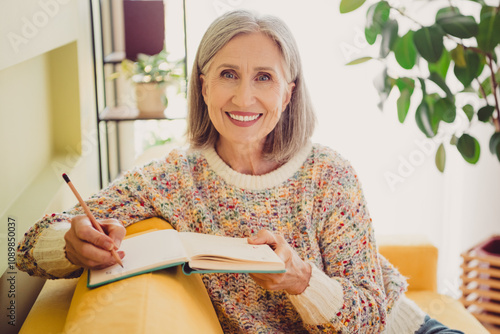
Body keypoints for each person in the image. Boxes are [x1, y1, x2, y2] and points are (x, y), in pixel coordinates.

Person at [17, 9, 463, 334]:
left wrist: (301, 280)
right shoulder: (173, 180)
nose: (244, 98)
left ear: (288, 94)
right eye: (228, 74)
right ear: (204, 84)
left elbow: (370, 317)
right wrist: (74, 243)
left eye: (264, 78)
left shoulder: (328, 175)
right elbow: (29, 246)